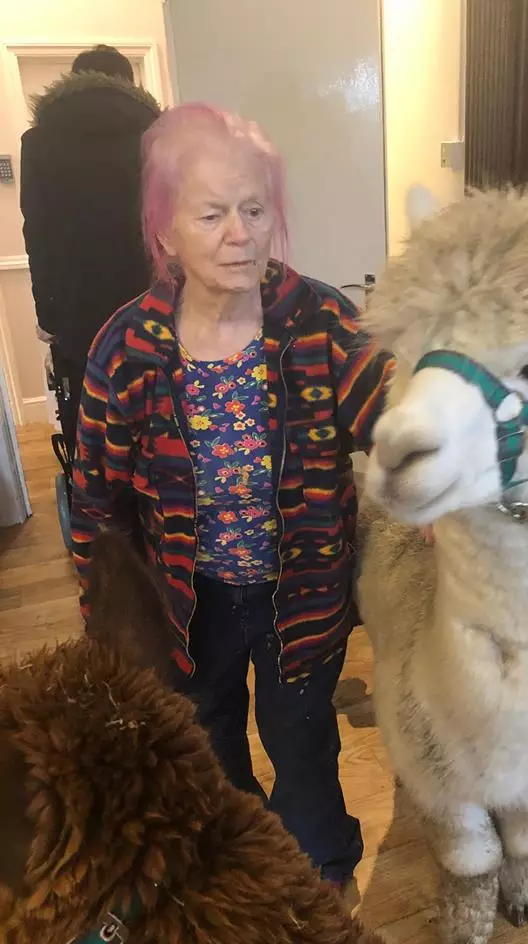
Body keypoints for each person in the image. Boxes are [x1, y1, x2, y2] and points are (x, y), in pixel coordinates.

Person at [70, 103, 394, 888]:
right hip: (189, 602)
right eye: (211, 214)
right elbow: (94, 501)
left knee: (303, 742)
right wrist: (106, 613)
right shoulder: (130, 347)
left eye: (254, 210)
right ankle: (238, 863)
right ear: (166, 231)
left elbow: (395, 423)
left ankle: (322, 878)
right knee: (208, 739)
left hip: (303, 592)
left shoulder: (320, 319)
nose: (240, 234)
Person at [21, 44, 160, 462]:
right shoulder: (158, 137)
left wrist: (48, 316)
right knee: (157, 413)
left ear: (71, 82)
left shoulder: (40, 141)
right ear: (130, 85)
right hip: (151, 302)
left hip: (77, 311)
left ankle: (102, 510)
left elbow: (38, 231)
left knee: (92, 416)